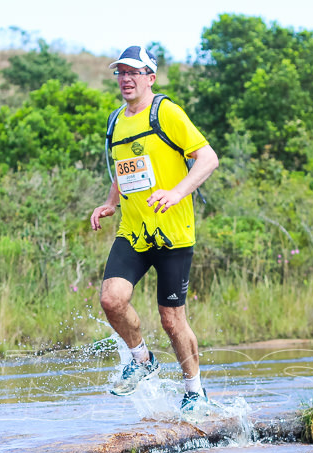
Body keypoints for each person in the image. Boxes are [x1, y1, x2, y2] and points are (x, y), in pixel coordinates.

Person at [89, 45, 219, 415]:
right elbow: (123, 168)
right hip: (133, 231)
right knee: (111, 299)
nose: (126, 79)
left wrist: (177, 192)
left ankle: (194, 390)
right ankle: (142, 359)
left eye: (133, 73)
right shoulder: (116, 121)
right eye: (120, 73)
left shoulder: (167, 113)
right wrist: (111, 202)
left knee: (171, 319)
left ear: (150, 77)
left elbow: (208, 159)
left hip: (173, 236)